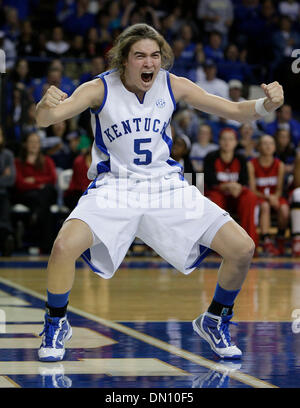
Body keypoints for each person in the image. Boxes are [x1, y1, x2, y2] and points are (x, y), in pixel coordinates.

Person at [35, 23, 284, 362]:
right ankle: (56, 322)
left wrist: (266, 105)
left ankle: (215, 319)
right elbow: (46, 120)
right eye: (140, 56)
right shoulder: (99, 88)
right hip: (115, 188)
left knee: (242, 248)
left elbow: (235, 110)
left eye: (155, 55)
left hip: (166, 186)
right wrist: (44, 105)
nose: (149, 62)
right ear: (124, 60)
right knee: (64, 246)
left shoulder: (172, 84)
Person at [203, 128, 259, 248]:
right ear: (219, 141)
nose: (227, 142)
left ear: (235, 142)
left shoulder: (241, 159)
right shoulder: (210, 157)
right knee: (214, 199)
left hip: (236, 195)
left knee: (250, 197)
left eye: (230, 139)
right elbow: (209, 181)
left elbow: (244, 181)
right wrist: (227, 186)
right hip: (219, 193)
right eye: (224, 139)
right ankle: (218, 244)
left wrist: (237, 187)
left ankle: (249, 243)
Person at [14, 132, 57, 254]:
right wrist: (40, 184)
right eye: (31, 141)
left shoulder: (47, 160)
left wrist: (34, 180)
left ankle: (35, 215)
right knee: (44, 206)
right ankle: (47, 246)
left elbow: (53, 179)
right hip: (28, 195)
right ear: (25, 144)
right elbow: (20, 184)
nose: (34, 144)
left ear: (40, 145)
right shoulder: (18, 162)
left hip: (45, 194)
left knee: (47, 190)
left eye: (36, 142)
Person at [247, 134, 289, 255]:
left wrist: (275, 197)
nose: (268, 146)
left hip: (274, 197)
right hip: (259, 198)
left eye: (271, 143)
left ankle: (280, 239)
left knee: (285, 209)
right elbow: (252, 190)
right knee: (265, 206)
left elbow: (280, 189)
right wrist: (268, 198)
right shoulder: (251, 164)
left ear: (275, 147)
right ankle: (265, 240)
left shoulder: (279, 165)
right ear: (259, 147)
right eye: (264, 143)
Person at [0, 126, 16, 256]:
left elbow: (11, 179)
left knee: (4, 199)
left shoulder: (7, 155)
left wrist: (5, 177)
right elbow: (6, 177)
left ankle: (6, 239)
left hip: (3, 193)